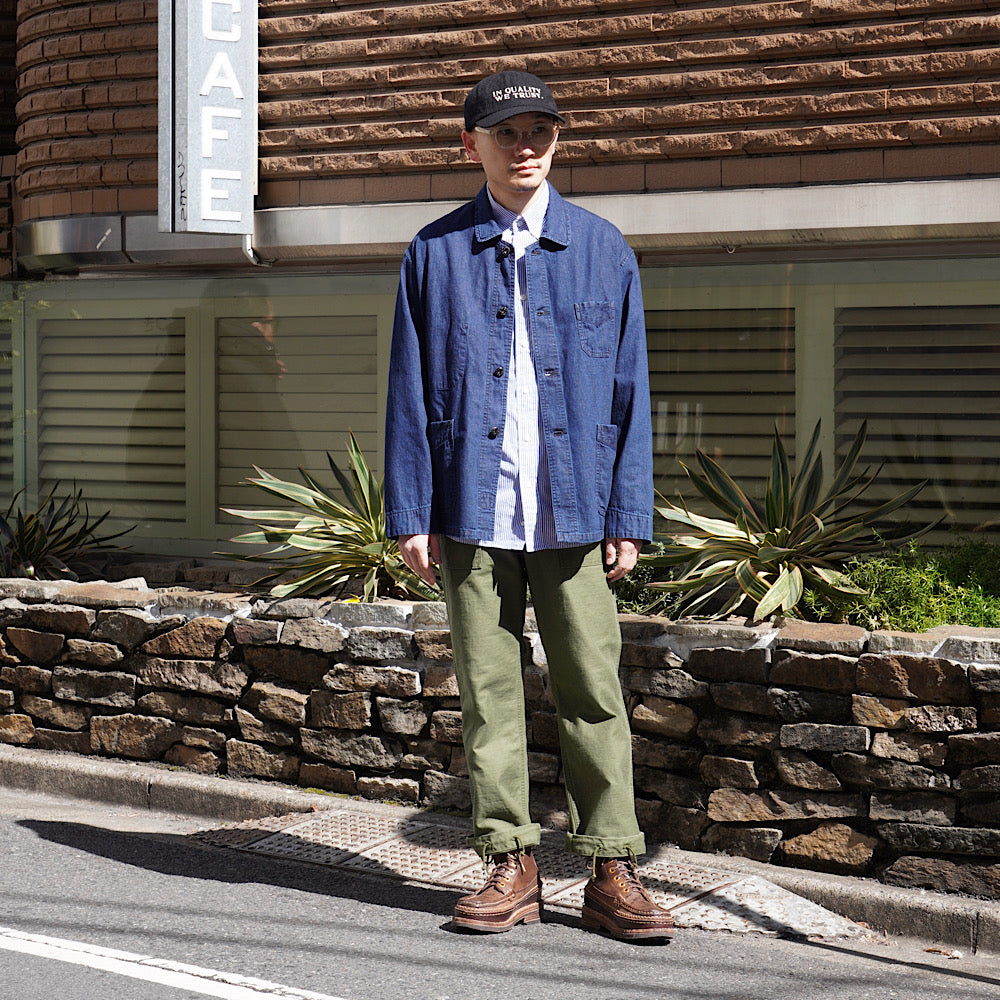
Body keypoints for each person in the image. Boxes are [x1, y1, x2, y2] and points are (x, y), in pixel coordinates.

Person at [384, 70, 672, 942]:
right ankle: (510, 862)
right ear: (469, 144)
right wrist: (412, 510)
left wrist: (628, 514)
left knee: (593, 688)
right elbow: (409, 390)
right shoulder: (434, 253)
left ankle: (612, 867)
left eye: (539, 131)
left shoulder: (601, 249)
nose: (525, 148)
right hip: (472, 510)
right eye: (506, 133)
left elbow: (630, 393)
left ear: (557, 140)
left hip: (573, 511)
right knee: (489, 693)